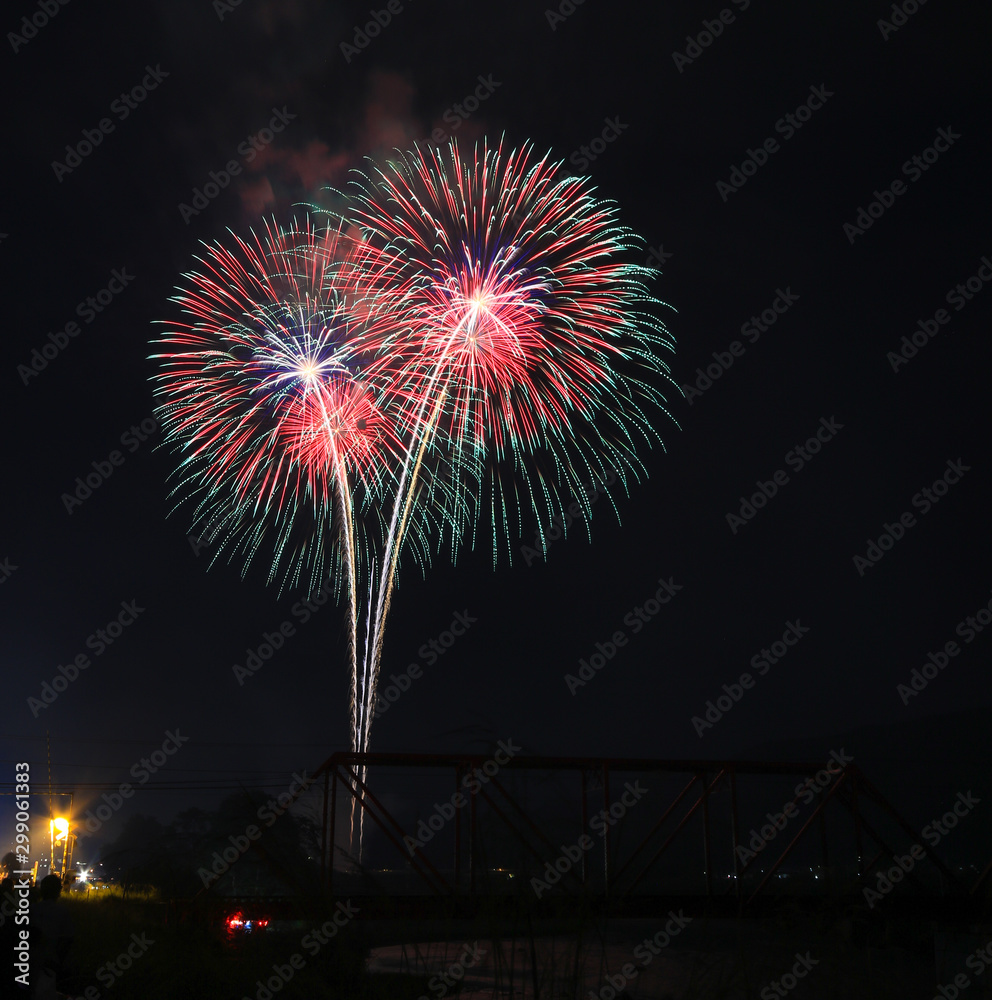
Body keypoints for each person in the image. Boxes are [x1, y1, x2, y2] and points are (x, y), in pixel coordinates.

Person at [31, 876, 73, 1000]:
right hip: (50, 964)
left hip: (31, 961)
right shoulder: (62, 912)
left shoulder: (31, 910)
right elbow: (67, 939)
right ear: (58, 891)